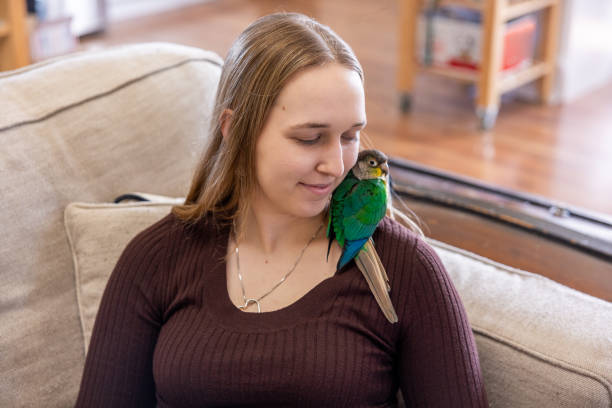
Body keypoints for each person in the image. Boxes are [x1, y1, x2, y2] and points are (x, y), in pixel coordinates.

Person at [76, 12, 488, 407]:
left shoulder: (405, 270)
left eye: (349, 136)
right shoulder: (156, 259)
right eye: (310, 139)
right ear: (234, 130)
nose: (336, 164)